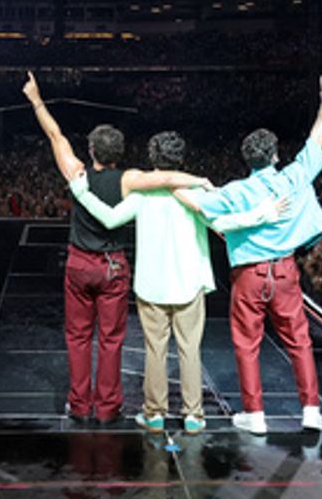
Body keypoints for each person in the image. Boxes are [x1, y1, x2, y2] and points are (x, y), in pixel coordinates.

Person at [66, 130, 287, 434]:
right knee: (189, 349)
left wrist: (81, 192)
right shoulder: (196, 195)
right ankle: (193, 415)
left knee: (155, 350)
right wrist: (263, 214)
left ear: (152, 160)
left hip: (152, 286)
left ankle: (154, 414)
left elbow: (109, 218)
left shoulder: (142, 196)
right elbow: (223, 224)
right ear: (181, 160)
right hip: (188, 284)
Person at [23, 72, 212, 425]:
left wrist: (36, 99)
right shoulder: (131, 180)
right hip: (113, 268)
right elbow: (168, 177)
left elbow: (55, 134)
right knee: (111, 339)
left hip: (80, 266)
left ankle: (80, 405)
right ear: (120, 153)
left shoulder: (76, 172)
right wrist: (200, 180)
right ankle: (108, 407)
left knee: (78, 337)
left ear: (92, 151)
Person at [173, 73, 322, 435]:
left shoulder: (235, 191)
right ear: (276, 155)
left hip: (249, 276)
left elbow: (194, 203)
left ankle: (255, 415)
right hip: (285, 273)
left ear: (247, 160)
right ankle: (311, 409)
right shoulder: (294, 177)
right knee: (299, 341)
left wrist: (173, 181)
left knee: (247, 345)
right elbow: (317, 138)